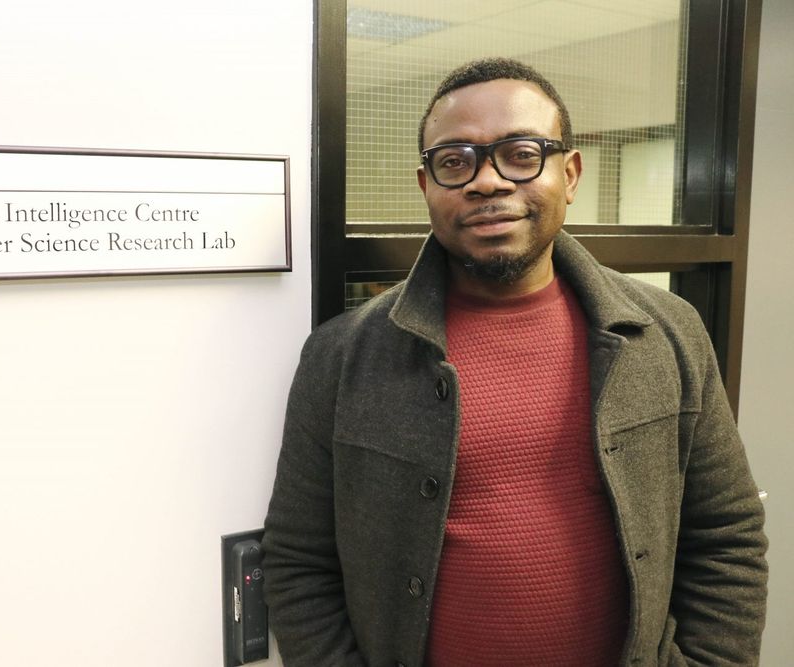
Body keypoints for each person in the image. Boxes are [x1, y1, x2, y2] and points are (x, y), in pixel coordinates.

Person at [262, 58, 768, 666]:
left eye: (521, 153)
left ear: (570, 173)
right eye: (455, 161)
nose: (487, 182)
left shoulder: (667, 334)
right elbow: (298, 562)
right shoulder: (343, 356)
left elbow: (726, 536)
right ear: (427, 186)